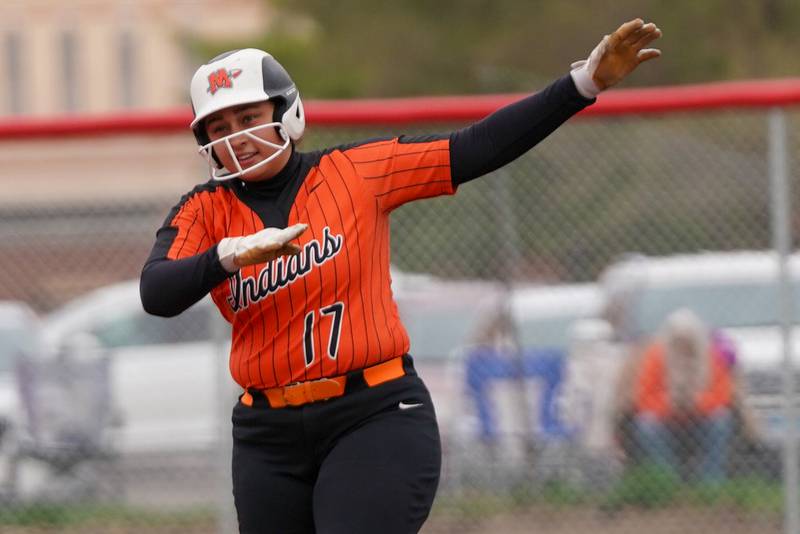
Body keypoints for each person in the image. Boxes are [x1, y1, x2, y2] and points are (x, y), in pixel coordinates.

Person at [140, 19, 661, 534]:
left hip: (370, 413)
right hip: (266, 433)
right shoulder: (204, 212)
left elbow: (473, 148)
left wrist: (581, 86)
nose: (237, 137)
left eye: (248, 116)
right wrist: (224, 258)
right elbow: (156, 292)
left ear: (286, 112)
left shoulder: (354, 173)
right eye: (219, 127)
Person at [628, 309, 738, 483]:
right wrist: (669, 404)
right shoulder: (656, 356)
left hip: (701, 418)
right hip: (666, 419)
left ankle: (711, 482)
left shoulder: (711, 356)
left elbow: (723, 396)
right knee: (645, 425)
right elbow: (643, 398)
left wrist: (698, 403)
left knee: (722, 420)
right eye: (678, 339)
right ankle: (666, 480)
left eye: (688, 339)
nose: (683, 344)